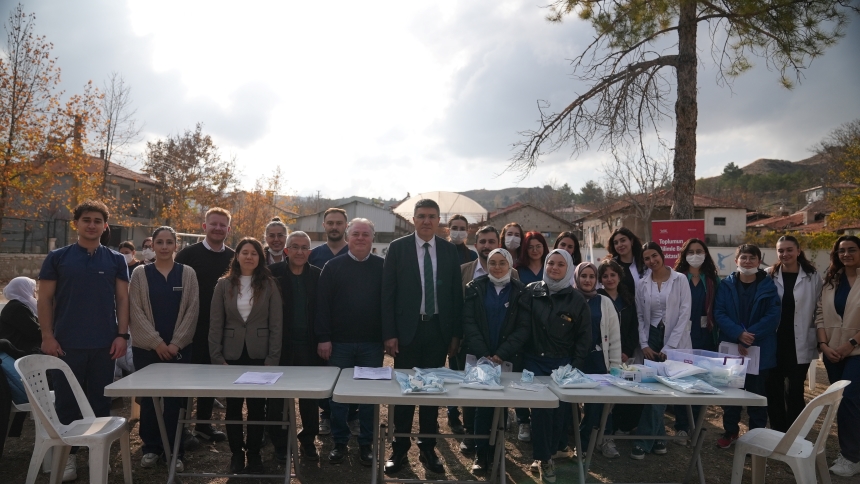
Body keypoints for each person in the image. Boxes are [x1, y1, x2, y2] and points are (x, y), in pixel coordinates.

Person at [38, 200, 130, 481]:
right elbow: (44, 298)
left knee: (100, 403)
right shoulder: (58, 257)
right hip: (66, 345)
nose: (92, 225)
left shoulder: (116, 260)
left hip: (105, 345)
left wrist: (121, 335)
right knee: (67, 404)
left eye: (97, 221)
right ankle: (68, 457)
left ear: (105, 226)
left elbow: (123, 299)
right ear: (76, 223)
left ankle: (97, 454)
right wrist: (47, 336)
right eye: (86, 220)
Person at [382, 199, 463, 476]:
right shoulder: (398, 248)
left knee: (431, 393)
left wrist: (454, 334)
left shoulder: (450, 251)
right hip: (407, 332)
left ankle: (428, 449)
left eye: (431, 216)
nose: (426, 221)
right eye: (421, 216)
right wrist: (390, 333)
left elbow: (455, 294)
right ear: (413, 219)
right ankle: (399, 450)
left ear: (439, 219)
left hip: (438, 331)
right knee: (404, 394)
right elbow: (388, 294)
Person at [209, 237, 283, 474]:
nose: (249, 256)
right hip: (231, 355)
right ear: (237, 256)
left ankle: (254, 453)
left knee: (256, 408)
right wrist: (217, 356)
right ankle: (236, 454)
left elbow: (276, 325)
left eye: (254, 253)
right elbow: (215, 324)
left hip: (259, 356)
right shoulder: (223, 285)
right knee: (232, 407)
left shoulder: (269, 285)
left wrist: (272, 360)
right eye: (244, 252)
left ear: (260, 258)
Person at [129, 226, 199, 473]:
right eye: (160, 242)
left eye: (170, 242)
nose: (165, 246)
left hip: (179, 349)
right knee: (149, 399)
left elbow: (192, 311)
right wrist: (156, 343)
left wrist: (175, 343)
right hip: (148, 349)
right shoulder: (140, 274)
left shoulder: (187, 274)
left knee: (175, 401)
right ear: (152, 246)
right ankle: (151, 448)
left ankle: (176, 450)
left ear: (176, 245)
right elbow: (135, 312)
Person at [315, 218, 385, 466]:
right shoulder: (332, 267)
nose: (360, 238)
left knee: (368, 397)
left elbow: (389, 306)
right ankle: (340, 442)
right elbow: (322, 306)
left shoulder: (383, 267)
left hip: (372, 345)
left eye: (365, 234)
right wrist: (324, 338)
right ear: (348, 236)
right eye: (355, 234)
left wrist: (389, 336)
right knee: (338, 398)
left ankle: (366, 444)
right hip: (339, 345)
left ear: (372, 238)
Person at [519, 249, 590, 483]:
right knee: (540, 412)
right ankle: (543, 459)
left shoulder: (577, 299)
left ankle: (554, 449)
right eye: (551, 263)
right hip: (533, 362)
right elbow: (521, 327)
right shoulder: (531, 292)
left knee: (559, 414)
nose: (554, 268)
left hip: (562, 365)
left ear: (568, 268)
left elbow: (583, 337)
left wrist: (575, 366)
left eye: (561, 264)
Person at [461, 248, 529, 472]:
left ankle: (497, 452)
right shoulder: (475, 287)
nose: (497, 267)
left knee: (501, 406)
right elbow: (469, 323)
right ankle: (481, 454)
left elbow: (523, 327)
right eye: (493, 263)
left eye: (502, 263)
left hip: (507, 359)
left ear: (510, 265)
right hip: (481, 358)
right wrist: (485, 354)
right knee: (483, 406)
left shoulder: (520, 291)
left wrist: (501, 354)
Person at [453, 226, 521, 448]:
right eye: (482, 241)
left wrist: (502, 351)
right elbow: (460, 311)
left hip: (502, 349)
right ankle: (470, 436)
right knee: (471, 393)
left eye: (491, 241)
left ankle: (494, 440)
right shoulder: (464, 271)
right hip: (471, 345)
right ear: (476, 245)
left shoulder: (514, 276)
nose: (486, 245)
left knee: (498, 395)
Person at [174, 207, 234, 445]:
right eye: (214, 224)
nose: (218, 228)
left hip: (221, 328)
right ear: (204, 226)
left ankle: (204, 425)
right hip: (191, 326)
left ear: (228, 229)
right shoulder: (188, 255)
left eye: (223, 225)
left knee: (212, 376)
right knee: (187, 378)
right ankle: (181, 428)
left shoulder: (234, 256)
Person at [714, 244, 780, 449]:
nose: (748, 261)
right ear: (736, 261)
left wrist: (750, 336)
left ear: (759, 262)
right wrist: (738, 335)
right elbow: (719, 312)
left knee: (756, 395)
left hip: (759, 349)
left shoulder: (769, 287)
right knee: (732, 394)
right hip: (733, 347)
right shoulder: (726, 285)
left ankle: (755, 438)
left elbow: (773, 316)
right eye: (743, 258)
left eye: (752, 258)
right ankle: (730, 432)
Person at [631, 242, 691, 460]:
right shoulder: (641, 283)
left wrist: (670, 347)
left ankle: (644, 441)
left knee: (662, 391)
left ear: (662, 255)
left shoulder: (680, 279)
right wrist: (644, 344)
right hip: (651, 338)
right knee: (652, 389)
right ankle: (659, 438)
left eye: (654, 256)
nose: (651, 261)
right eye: (646, 258)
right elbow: (639, 316)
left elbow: (685, 314)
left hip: (674, 340)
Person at [268, 230, 323, 463]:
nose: (300, 252)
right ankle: (280, 444)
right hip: (280, 345)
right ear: (287, 250)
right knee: (277, 397)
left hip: (309, 346)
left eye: (304, 248)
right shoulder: (272, 274)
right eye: (295, 247)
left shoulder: (319, 275)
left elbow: (324, 311)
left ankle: (308, 440)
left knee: (309, 398)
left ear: (309, 252)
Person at [765, 236, 822, 433]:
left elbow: (819, 309)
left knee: (795, 391)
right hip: (775, 341)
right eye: (781, 250)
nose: (785, 254)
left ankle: (795, 433)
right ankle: (777, 430)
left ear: (798, 251)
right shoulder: (768, 275)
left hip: (800, 341)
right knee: (774, 389)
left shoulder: (812, 276)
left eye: (789, 250)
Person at [816, 235, 860, 477]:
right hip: (832, 351)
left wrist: (849, 345)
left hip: (856, 351)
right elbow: (820, 313)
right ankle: (850, 451)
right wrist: (823, 344)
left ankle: (851, 457)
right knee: (843, 403)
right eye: (841, 250)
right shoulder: (832, 280)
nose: (846, 254)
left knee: (850, 400)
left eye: (852, 249)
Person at [307, 207, 353, 435]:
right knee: (325, 373)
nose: (334, 227)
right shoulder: (314, 255)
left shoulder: (356, 252)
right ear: (323, 226)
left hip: (351, 328)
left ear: (346, 226)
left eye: (339, 223)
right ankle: (326, 415)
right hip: (322, 326)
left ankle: (351, 416)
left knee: (352, 373)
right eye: (330, 223)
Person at [672, 238, 721, 443]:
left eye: (699, 251)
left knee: (701, 382)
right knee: (682, 381)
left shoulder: (712, 280)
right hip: (682, 336)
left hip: (705, 337)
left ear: (705, 254)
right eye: (690, 251)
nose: (695, 255)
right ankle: (682, 427)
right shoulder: (676, 279)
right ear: (684, 255)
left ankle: (697, 426)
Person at [574, 262, 622, 459]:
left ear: (596, 280)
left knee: (598, 406)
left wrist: (615, 366)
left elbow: (614, 335)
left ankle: (596, 441)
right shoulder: (570, 299)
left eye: (591, 276)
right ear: (576, 277)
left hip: (598, 360)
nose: (587, 280)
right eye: (583, 276)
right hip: (575, 361)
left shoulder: (604, 302)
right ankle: (576, 441)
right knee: (571, 406)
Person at [597, 259, 642, 435]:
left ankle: (622, 426)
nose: (609, 279)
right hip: (604, 354)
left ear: (619, 276)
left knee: (624, 392)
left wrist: (627, 351)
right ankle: (604, 428)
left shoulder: (628, 299)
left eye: (613, 275)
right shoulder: (598, 299)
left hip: (625, 356)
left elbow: (634, 328)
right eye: (605, 276)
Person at [0, 277, 41, 405]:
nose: (34, 294)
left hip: (20, 352)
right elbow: (36, 333)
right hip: (22, 354)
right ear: (24, 290)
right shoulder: (17, 308)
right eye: (33, 290)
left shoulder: (18, 306)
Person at [605, 228, 646, 294]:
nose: (619, 245)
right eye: (616, 243)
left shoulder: (644, 263)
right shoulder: (610, 266)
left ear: (631, 241)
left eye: (623, 240)